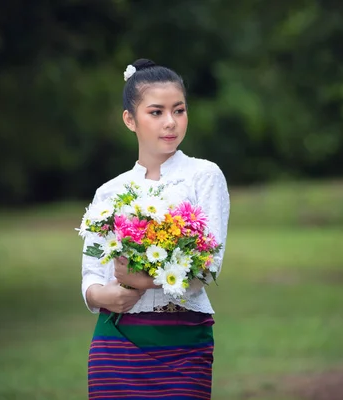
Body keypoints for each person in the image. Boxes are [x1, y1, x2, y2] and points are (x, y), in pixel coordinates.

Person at [81, 58, 230, 399]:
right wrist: (106, 296)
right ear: (129, 120)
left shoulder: (204, 177)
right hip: (115, 341)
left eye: (178, 110)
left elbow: (208, 269)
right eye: (156, 112)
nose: (170, 123)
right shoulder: (110, 191)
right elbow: (91, 275)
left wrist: (141, 282)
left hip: (182, 342)